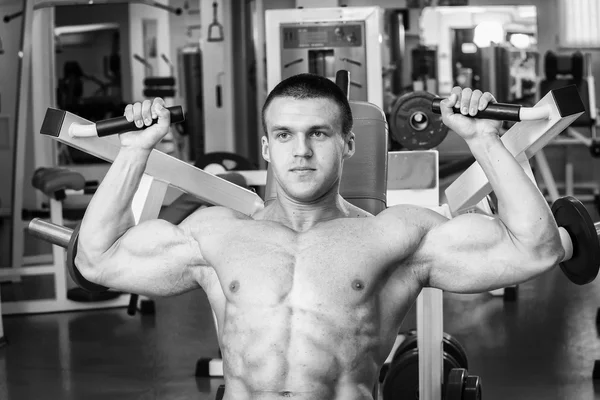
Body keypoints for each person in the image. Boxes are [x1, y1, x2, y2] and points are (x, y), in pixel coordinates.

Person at [75, 73, 564, 399]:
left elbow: (535, 250)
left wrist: (482, 139)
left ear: (349, 143)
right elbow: (97, 260)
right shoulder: (216, 233)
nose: (301, 151)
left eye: (320, 134)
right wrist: (133, 151)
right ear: (266, 148)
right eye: (285, 135)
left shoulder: (394, 236)